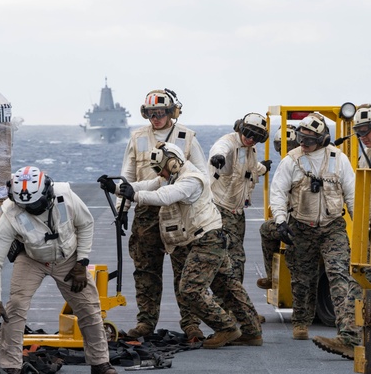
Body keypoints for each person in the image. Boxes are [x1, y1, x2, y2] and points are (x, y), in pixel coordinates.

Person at [100, 142, 262, 348]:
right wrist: (117, 189)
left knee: (189, 290)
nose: (162, 174)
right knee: (227, 286)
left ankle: (227, 328)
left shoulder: (191, 180)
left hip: (207, 240)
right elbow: (148, 185)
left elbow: (164, 196)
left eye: (163, 169)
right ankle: (252, 332)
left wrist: (134, 196)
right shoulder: (173, 177)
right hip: (207, 238)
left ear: (174, 162)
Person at [0, 166, 118, 374]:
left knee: (89, 307)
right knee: (15, 306)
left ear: (47, 193)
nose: (30, 208)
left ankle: (100, 361)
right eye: (25, 204)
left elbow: (86, 224)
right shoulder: (11, 213)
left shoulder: (66, 197)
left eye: (35, 203)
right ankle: (10, 365)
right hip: (31, 259)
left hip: (68, 259)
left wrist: (82, 262)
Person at [117, 89, 208, 341]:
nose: (156, 118)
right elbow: (128, 176)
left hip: (179, 213)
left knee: (185, 269)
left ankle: (191, 324)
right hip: (146, 210)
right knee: (146, 269)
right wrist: (121, 209)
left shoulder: (187, 137)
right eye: (151, 114)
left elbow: (202, 174)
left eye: (161, 113)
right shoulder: (137, 138)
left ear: (171, 113)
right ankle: (145, 322)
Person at [269, 114, 361, 357]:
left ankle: (348, 333)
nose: (304, 143)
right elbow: (278, 191)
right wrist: (280, 221)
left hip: (332, 227)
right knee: (302, 278)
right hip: (300, 226)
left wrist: (361, 227)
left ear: (322, 139)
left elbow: (351, 195)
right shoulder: (291, 161)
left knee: (340, 275)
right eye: (301, 138)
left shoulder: (339, 161)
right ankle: (301, 321)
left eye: (309, 139)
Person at [208, 112, 272, 285]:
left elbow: (247, 167)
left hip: (236, 212)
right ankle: (233, 308)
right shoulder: (229, 141)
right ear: (241, 129)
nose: (251, 139)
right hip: (222, 209)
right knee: (234, 259)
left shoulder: (249, 148)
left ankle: (232, 308)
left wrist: (263, 169)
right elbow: (221, 147)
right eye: (248, 133)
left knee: (233, 259)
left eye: (256, 137)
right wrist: (218, 157)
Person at [257, 125, 299, 290]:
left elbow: (279, 194)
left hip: (293, 220)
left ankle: (270, 276)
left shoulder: (288, 163)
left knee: (265, 230)